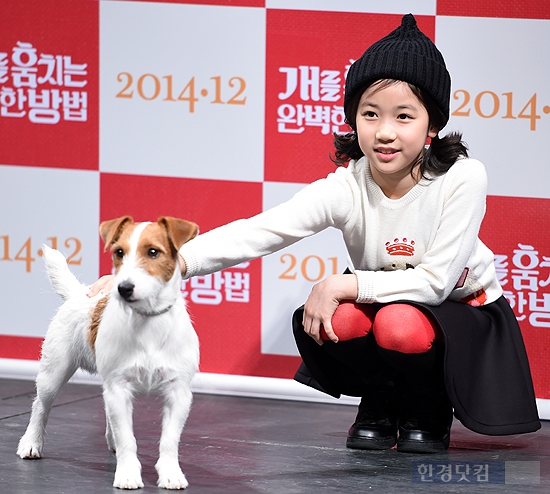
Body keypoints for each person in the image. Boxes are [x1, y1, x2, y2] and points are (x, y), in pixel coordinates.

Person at [90, 14, 540, 454]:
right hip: (389, 300)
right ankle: (381, 399)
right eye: (370, 114)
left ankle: (428, 405)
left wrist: (340, 283)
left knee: (397, 323)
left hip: (459, 311)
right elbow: (262, 231)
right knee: (339, 320)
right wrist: (160, 268)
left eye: (404, 116)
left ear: (432, 125)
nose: (384, 132)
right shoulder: (348, 186)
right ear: (354, 118)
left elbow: (436, 281)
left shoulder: (463, 177)